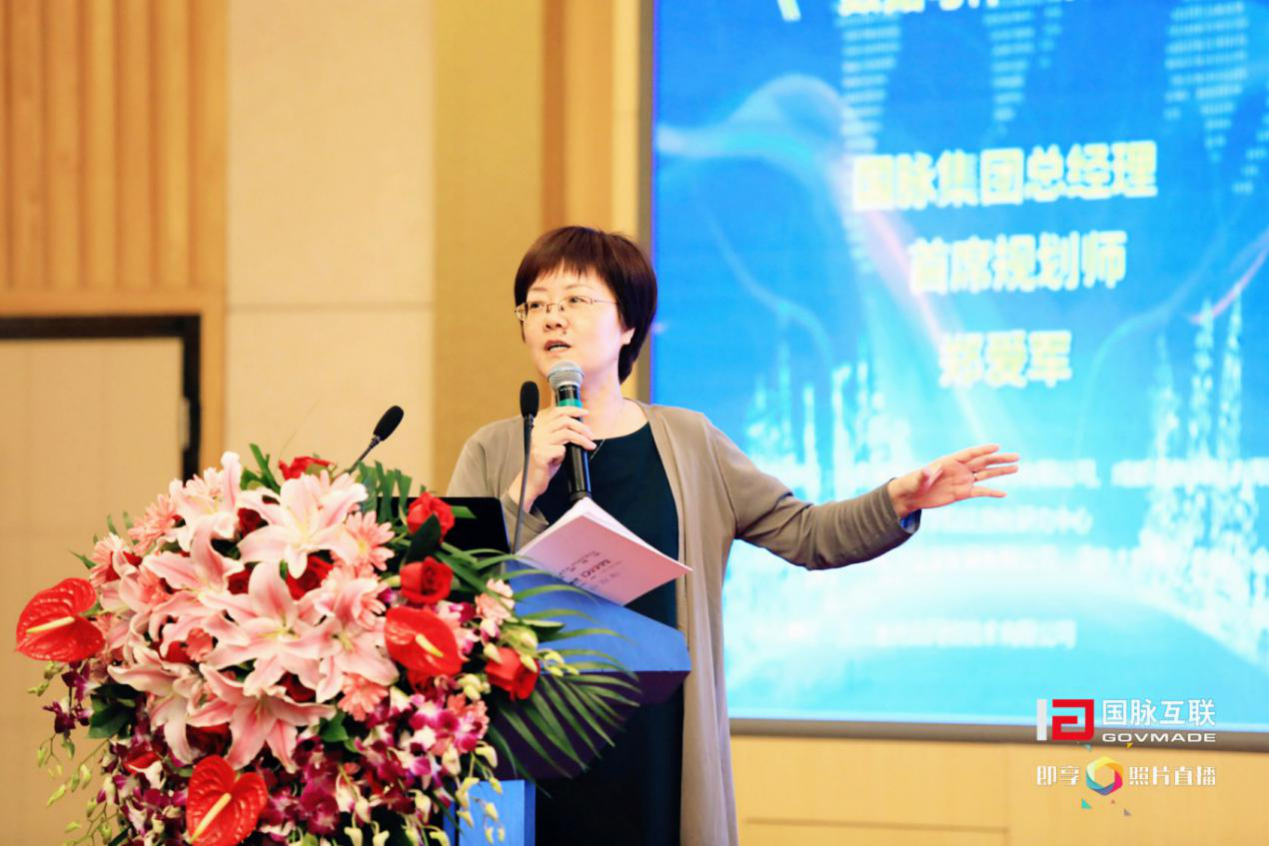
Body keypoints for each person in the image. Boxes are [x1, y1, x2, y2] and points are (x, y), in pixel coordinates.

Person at [446, 226, 1018, 846]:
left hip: (658, 748)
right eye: (535, 303)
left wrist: (897, 500)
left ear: (629, 324)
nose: (552, 316)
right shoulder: (494, 450)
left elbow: (806, 533)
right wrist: (524, 489)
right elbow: (454, 601)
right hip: (529, 755)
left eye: (575, 299)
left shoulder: (690, 443)